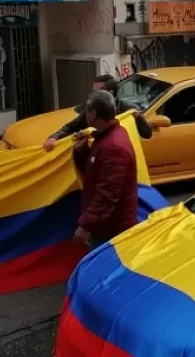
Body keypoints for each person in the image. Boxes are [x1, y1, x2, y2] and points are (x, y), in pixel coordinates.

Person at [72, 90, 139, 249]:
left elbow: (107, 194)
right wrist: (81, 153)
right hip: (105, 226)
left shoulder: (113, 147)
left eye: (86, 112)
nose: (84, 115)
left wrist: (85, 226)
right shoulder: (105, 138)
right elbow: (96, 171)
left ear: (93, 114)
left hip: (111, 232)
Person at [44, 75, 151, 151]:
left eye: (96, 92)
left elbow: (147, 134)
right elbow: (71, 126)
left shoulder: (128, 110)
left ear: (110, 93)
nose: (92, 95)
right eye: (92, 91)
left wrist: (139, 118)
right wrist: (54, 137)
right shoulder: (90, 109)